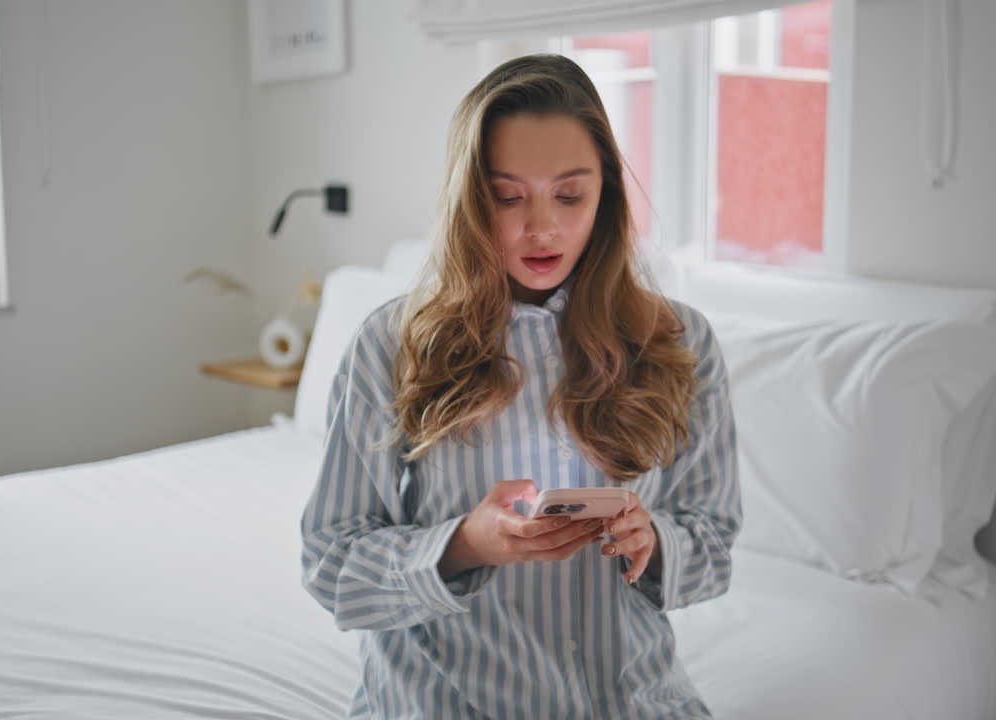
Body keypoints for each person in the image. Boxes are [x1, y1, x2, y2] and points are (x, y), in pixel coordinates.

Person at [300, 53, 741, 719]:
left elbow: (713, 546)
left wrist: (653, 542)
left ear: (606, 195)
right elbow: (330, 564)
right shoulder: (391, 345)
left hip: (634, 701)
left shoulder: (679, 342)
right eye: (507, 197)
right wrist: (464, 545)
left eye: (570, 195)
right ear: (470, 199)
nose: (542, 228)